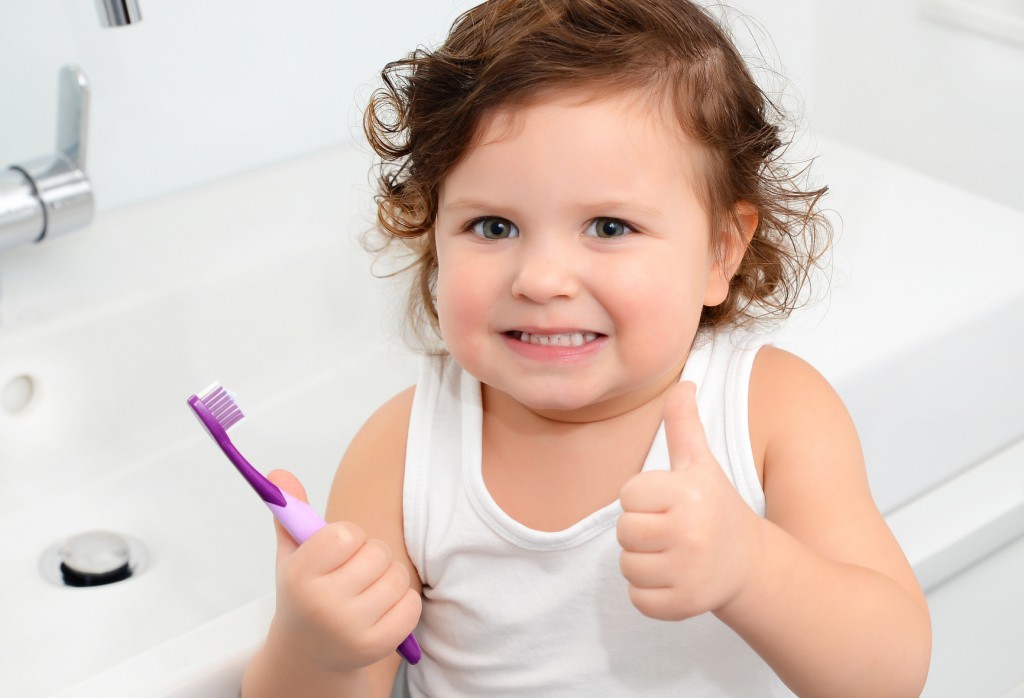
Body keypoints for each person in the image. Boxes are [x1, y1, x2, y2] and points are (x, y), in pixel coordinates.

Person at [242, 1, 932, 696]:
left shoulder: (770, 414)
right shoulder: (403, 449)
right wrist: (316, 646)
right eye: (492, 226)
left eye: (608, 225)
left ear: (721, 251)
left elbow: (890, 675)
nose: (541, 279)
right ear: (433, 232)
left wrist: (753, 568)